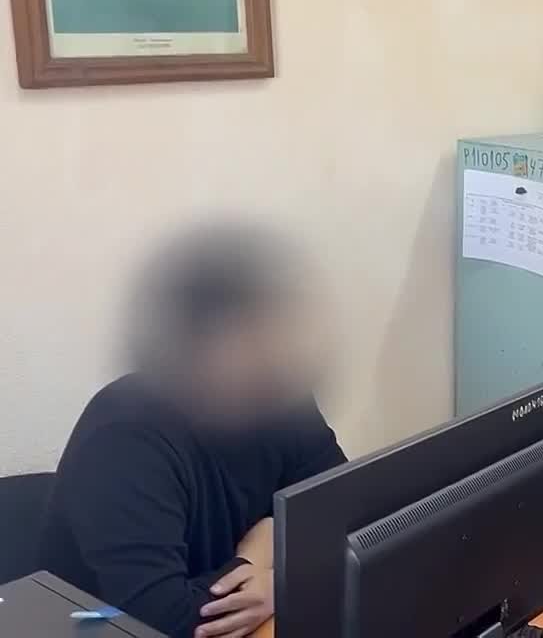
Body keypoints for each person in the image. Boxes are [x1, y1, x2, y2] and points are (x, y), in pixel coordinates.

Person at [41, 224, 346, 638]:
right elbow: (164, 620)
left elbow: (343, 513)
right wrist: (257, 562)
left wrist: (275, 574)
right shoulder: (123, 440)